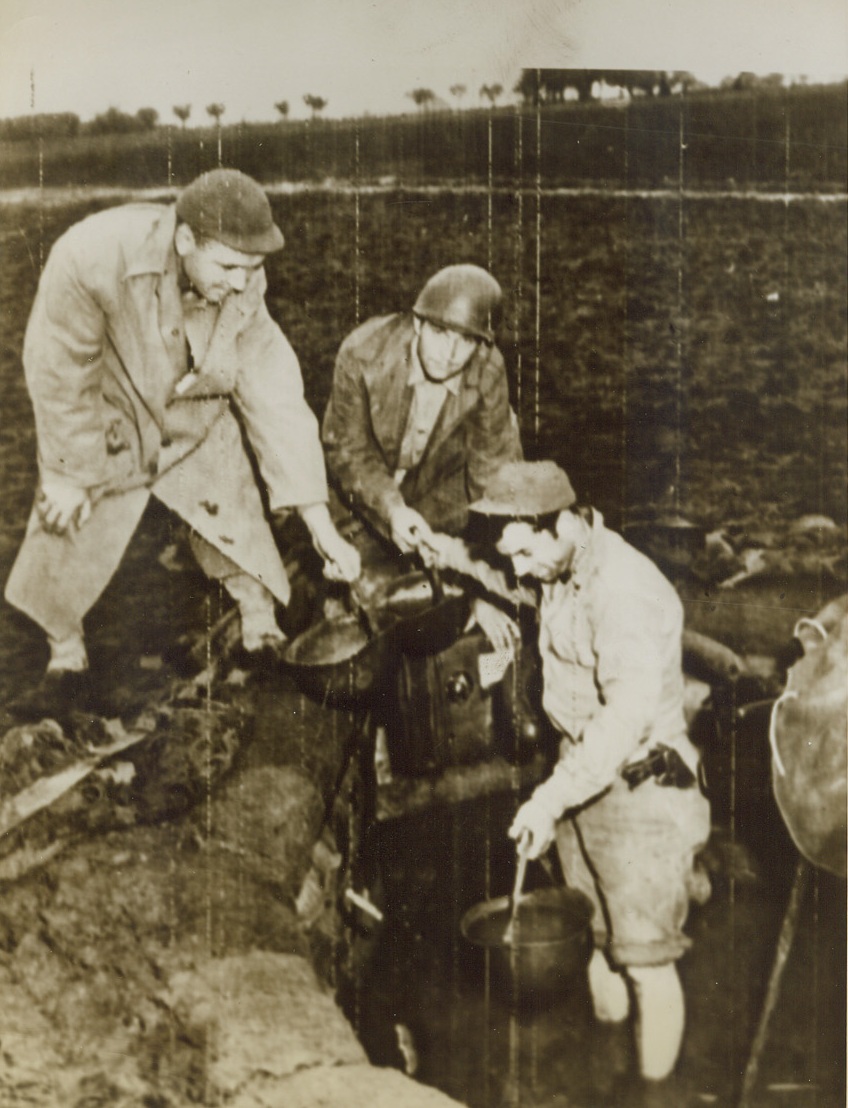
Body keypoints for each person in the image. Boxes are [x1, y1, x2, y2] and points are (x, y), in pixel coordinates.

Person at [5, 168, 360, 713]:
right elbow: (59, 370)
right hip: (111, 412)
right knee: (67, 519)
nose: (242, 283)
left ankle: (260, 627)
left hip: (194, 410)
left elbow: (274, 396)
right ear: (186, 239)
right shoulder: (92, 255)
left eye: (254, 269)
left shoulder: (241, 279)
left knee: (233, 508)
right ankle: (66, 654)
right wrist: (70, 473)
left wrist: (320, 524)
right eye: (229, 268)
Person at [421, 460, 710, 1087]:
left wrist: (549, 801)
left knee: (645, 961)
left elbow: (623, 720)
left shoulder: (622, 591)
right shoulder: (559, 560)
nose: (518, 568)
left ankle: (653, 1097)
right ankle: (606, 1071)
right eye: (512, 554)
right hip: (584, 777)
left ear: (564, 524)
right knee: (596, 937)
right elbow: (497, 571)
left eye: (526, 552)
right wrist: (441, 551)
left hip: (640, 791)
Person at [321, 264, 522, 651]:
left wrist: (482, 586)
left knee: (447, 615)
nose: (449, 354)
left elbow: (493, 479)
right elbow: (347, 450)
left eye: (466, 340)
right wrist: (393, 510)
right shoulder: (362, 353)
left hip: (435, 490)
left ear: (481, 344)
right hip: (359, 494)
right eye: (440, 332)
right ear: (417, 324)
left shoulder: (488, 369)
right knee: (374, 609)